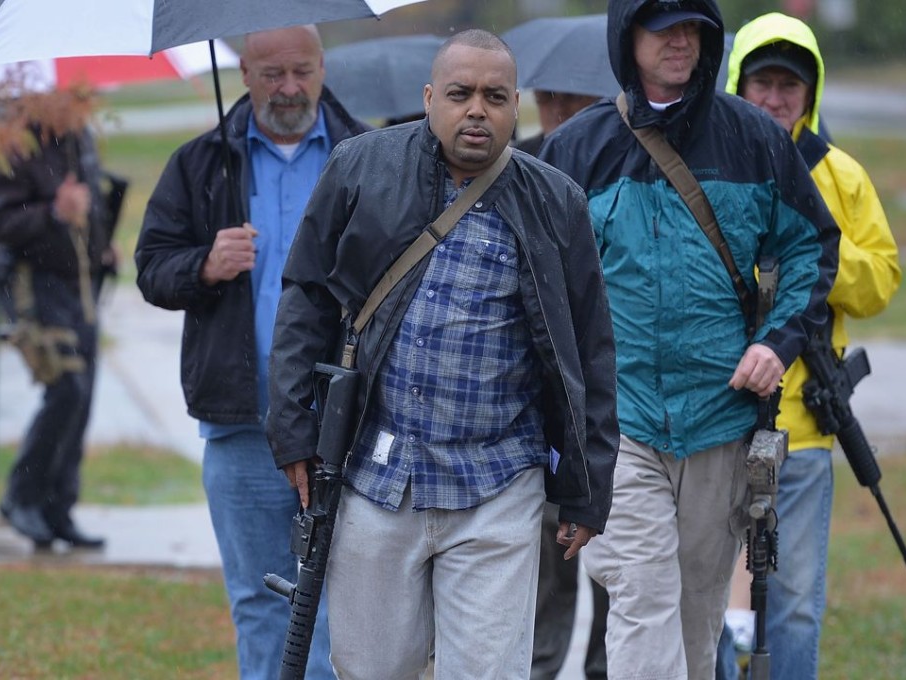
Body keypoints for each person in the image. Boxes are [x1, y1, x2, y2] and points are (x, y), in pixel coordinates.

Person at [265, 29, 619, 679]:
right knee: (371, 669)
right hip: (375, 473)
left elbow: (590, 352)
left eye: (495, 97)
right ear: (430, 99)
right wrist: (292, 429)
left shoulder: (557, 202)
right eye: (460, 94)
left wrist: (587, 490)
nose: (477, 110)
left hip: (498, 482)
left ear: (517, 107)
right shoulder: (360, 166)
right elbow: (306, 297)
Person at [537, 0, 841, 677]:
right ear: (627, 34)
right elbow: (539, 281)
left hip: (720, 422)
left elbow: (812, 245)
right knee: (643, 596)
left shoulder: (754, 139)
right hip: (619, 425)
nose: (679, 41)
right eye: (662, 26)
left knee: (698, 619)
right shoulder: (576, 148)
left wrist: (778, 342)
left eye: (692, 28)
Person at [135, 25, 368, 680]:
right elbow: (151, 268)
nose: (289, 88)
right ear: (243, 73)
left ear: (323, 67)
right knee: (260, 599)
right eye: (272, 74)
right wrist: (203, 265)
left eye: (302, 71)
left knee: (340, 602)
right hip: (242, 427)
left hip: (343, 425)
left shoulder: (367, 156)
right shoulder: (199, 164)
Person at [715, 13, 902, 679]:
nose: (774, 98)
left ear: (811, 92)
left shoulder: (841, 176)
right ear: (737, 84)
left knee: (794, 602)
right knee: (705, 596)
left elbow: (881, 279)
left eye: (789, 85)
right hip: (715, 419)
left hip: (805, 430)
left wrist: (816, 254)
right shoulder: (709, 164)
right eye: (761, 82)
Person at [515, 87, 610, 680]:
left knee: (614, 566)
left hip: (605, 385)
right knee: (549, 562)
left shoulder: (618, 159)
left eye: (573, 100)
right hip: (543, 395)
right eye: (548, 98)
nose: (559, 111)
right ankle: (539, 669)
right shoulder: (515, 164)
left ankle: (605, 668)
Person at [0, 124, 115, 550]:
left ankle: (58, 509)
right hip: (35, 287)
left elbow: (87, 207)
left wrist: (100, 245)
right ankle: (21, 497)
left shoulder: (80, 136)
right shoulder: (21, 143)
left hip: (82, 287)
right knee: (66, 389)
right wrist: (52, 212)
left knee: (83, 395)